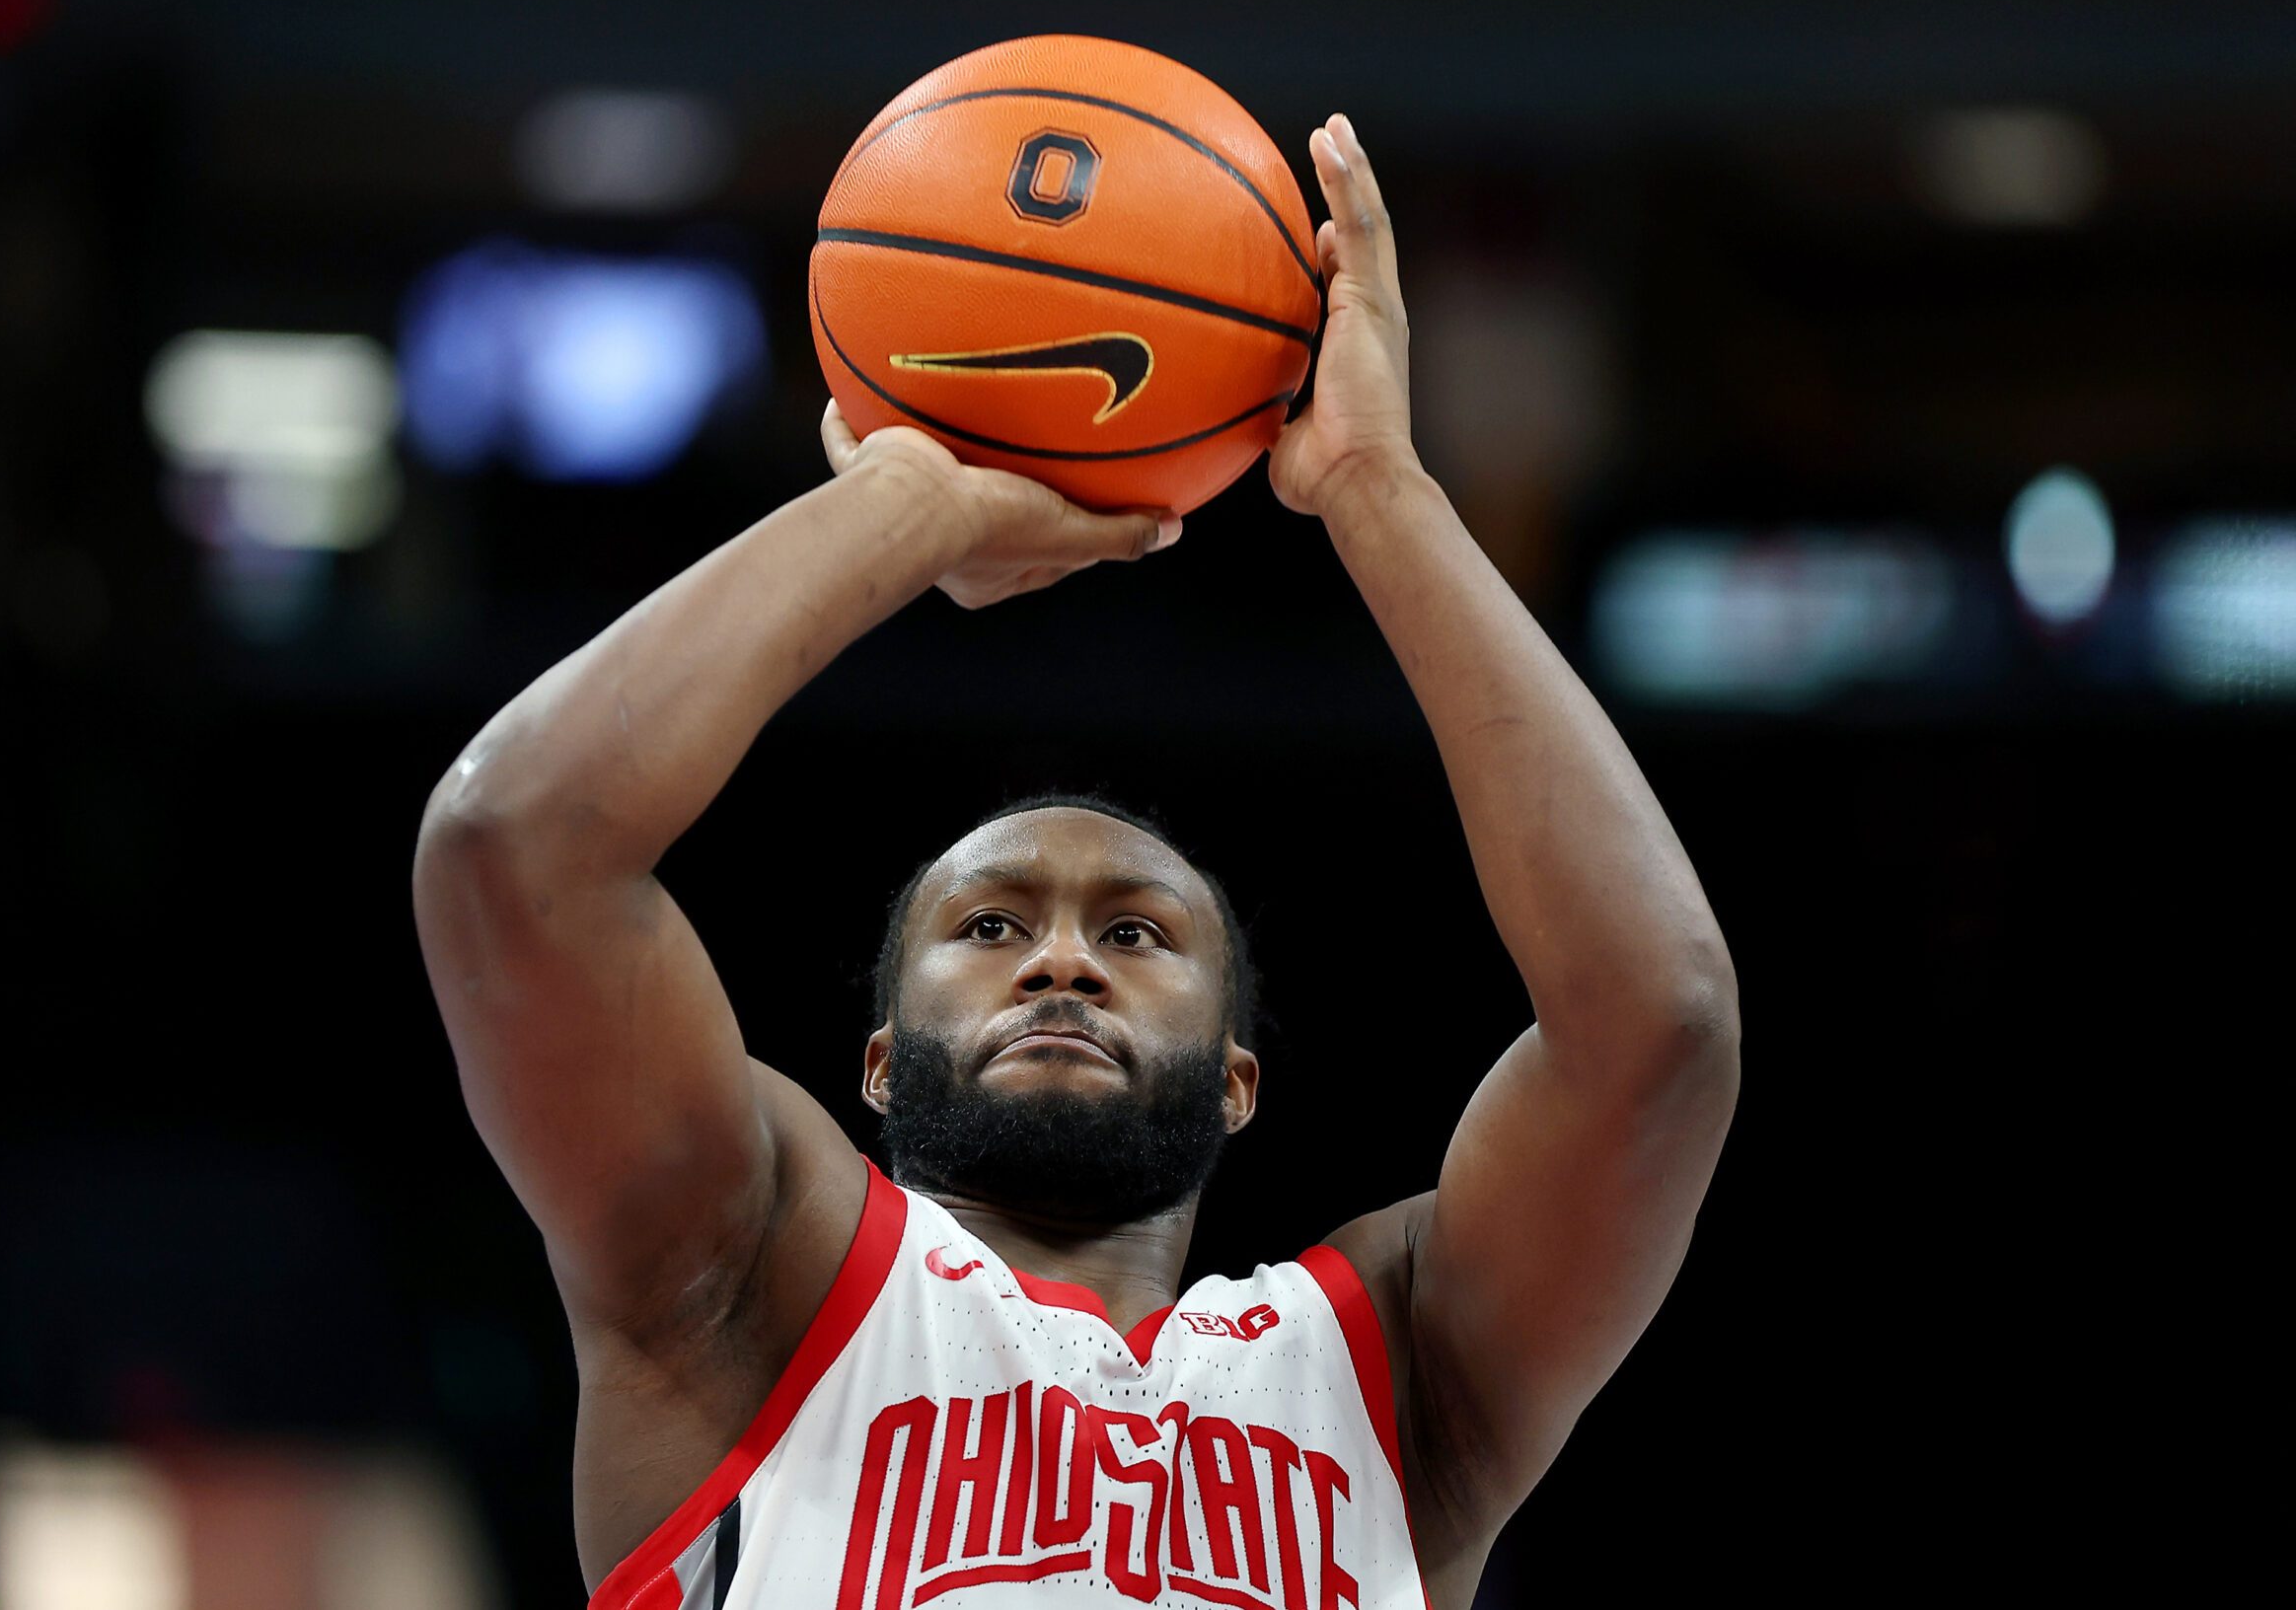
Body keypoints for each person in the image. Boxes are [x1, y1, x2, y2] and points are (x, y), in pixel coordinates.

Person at [412, 113, 1739, 1609]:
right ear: (883, 1066)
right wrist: (906, 504)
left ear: (1237, 1076)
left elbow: (1660, 1024)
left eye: (1138, 935)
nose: (1060, 956)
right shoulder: (750, 1289)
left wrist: (1380, 491)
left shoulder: (1397, 1376)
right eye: (986, 927)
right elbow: (509, 851)